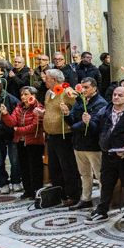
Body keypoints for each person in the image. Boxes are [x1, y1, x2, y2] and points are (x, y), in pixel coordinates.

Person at [89, 86, 124, 223]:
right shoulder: (105, 111)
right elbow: (95, 127)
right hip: (107, 152)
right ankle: (102, 211)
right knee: (106, 182)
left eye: (120, 95)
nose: (116, 97)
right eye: (114, 94)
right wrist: (88, 122)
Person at [38, 69, 81, 207]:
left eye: (47, 78)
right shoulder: (48, 93)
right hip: (51, 135)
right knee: (54, 167)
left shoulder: (67, 91)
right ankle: (59, 194)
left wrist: (68, 113)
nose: (45, 80)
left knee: (68, 166)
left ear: (55, 80)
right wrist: (43, 113)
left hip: (64, 135)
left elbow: (79, 106)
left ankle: (73, 194)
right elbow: (51, 109)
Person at [66, 78, 108, 211]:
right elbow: (72, 119)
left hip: (93, 145)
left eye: (86, 87)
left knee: (100, 175)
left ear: (94, 88)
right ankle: (86, 199)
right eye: (82, 87)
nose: (83, 90)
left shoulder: (100, 103)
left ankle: (104, 201)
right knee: (84, 174)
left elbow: (94, 124)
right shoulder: (79, 101)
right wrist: (67, 114)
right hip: (79, 143)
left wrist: (74, 126)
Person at [1, 86, 44, 200]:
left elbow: (35, 126)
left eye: (26, 94)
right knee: (24, 167)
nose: (23, 97)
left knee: (35, 167)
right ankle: (28, 190)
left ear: (33, 96)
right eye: (22, 95)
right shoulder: (19, 107)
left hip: (34, 142)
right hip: (20, 141)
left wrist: (18, 130)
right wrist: (5, 114)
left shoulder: (38, 108)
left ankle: (37, 190)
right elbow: (12, 122)